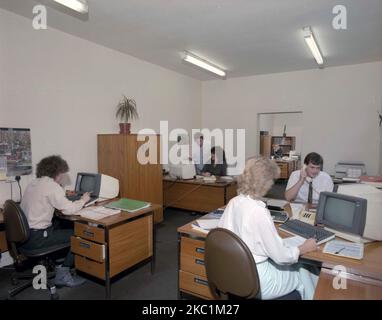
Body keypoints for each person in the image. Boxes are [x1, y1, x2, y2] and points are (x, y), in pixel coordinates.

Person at [218, 157, 319, 300]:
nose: (272, 184)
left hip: (235, 272)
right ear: (264, 182)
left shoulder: (234, 202)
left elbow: (225, 236)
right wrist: (303, 248)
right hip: (258, 280)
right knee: (303, 272)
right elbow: (282, 257)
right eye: (271, 180)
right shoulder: (259, 212)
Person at [20, 155, 91, 287]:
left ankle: (59, 263)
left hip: (24, 237)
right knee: (80, 235)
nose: (63, 177)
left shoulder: (34, 183)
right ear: (57, 173)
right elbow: (69, 210)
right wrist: (83, 200)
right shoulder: (52, 187)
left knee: (59, 224)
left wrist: (62, 195)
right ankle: (63, 274)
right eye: (62, 174)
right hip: (38, 238)